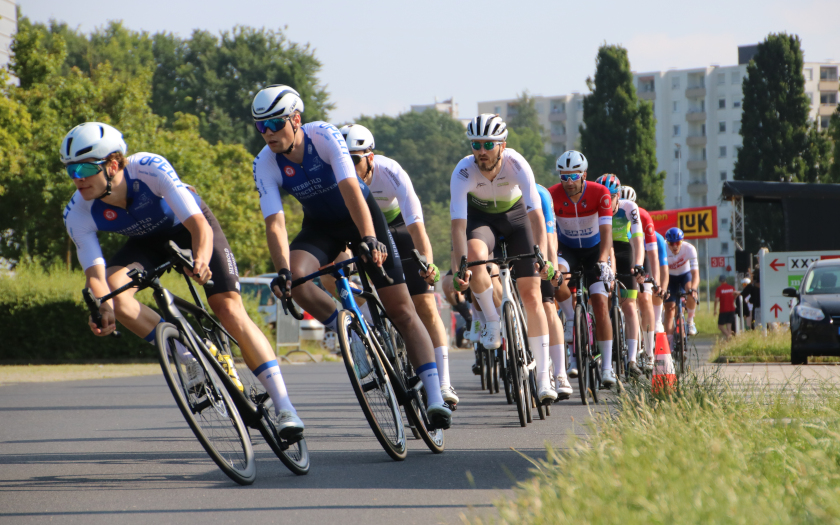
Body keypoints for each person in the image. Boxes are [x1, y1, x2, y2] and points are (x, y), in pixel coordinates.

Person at [61, 122, 305, 439]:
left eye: (83, 167)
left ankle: (285, 406)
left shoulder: (149, 168)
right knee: (115, 294)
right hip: (145, 244)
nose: (77, 178)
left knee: (228, 309)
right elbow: (95, 276)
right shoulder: (77, 212)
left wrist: (201, 260)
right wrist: (103, 308)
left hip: (190, 229)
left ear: (113, 164)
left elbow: (199, 227)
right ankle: (191, 356)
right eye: (70, 170)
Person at [250, 85, 451, 429]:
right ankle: (352, 333)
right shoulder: (265, 162)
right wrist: (282, 271)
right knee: (297, 281)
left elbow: (351, 190)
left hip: (361, 219)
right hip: (320, 227)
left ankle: (435, 395)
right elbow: (276, 223)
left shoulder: (324, 136)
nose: (267, 133)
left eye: (274, 123)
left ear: (296, 120)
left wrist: (370, 238)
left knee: (402, 310)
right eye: (260, 126)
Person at [338, 124, 458, 406]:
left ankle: (444, 382)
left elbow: (417, 226)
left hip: (398, 229)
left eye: (354, 160)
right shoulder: (337, 179)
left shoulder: (390, 171)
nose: (347, 167)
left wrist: (427, 263)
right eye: (342, 160)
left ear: (370, 157)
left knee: (426, 306)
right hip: (359, 233)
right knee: (336, 273)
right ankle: (364, 326)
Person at [450, 114, 558, 404]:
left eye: (488, 144)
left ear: (502, 145)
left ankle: (544, 378)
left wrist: (543, 256)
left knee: (532, 296)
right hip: (481, 221)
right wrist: (459, 266)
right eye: (476, 144)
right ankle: (493, 322)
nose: (481, 150)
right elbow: (458, 227)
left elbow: (536, 216)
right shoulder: (463, 171)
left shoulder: (517, 164)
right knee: (474, 258)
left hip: (516, 219)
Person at [549, 151, 616, 385]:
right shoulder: (552, 195)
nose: (568, 182)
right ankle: (570, 318)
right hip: (567, 250)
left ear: (584, 175)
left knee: (599, 302)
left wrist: (604, 260)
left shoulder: (600, 193)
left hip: (594, 251)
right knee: (554, 278)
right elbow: (549, 234)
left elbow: (607, 233)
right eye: (563, 176)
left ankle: (607, 367)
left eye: (573, 176)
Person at [595, 175, 645, 378]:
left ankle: (632, 359)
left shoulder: (628, 207)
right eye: (605, 196)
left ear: (618, 196)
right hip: (603, 249)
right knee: (601, 301)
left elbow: (637, 240)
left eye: (613, 196)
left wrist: (639, 264)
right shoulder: (595, 204)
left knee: (630, 306)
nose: (609, 201)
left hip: (624, 250)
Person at [536, 183, 572, 398]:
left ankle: (560, 374)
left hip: (538, 249)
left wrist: (552, 266)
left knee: (547, 305)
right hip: (507, 245)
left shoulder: (540, 194)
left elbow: (550, 237)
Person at [663, 227, 700, 350]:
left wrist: (694, 289)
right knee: (669, 311)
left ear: (682, 241)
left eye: (677, 243)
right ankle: (669, 346)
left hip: (685, 275)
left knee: (691, 291)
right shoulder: (662, 247)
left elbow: (695, 274)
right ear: (667, 242)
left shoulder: (689, 249)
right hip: (669, 278)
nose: (674, 246)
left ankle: (690, 322)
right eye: (671, 243)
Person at [653, 231, 671, 333]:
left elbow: (664, 270)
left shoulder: (658, 239)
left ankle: (657, 321)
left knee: (657, 289)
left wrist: (663, 289)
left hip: (653, 268)